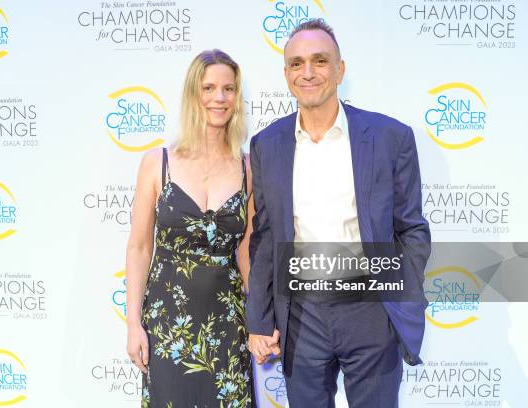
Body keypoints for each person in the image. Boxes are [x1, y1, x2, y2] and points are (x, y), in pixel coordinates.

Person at [246, 19, 431, 407]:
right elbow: (264, 238)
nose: (308, 72)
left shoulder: (389, 137)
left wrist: (395, 298)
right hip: (301, 316)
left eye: (320, 60)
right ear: (286, 74)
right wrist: (260, 321)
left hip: (370, 310)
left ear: (340, 69)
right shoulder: (267, 144)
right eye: (296, 64)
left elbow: (412, 229)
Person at [125, 49, 255, 407]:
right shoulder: (157, 163)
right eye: (209, 87)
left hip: (228, 322)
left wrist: (258, 316)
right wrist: (133, 323)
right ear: (193, 94)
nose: (219, 98)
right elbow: (138, 247)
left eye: (229, 89)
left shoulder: (248, 168)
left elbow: (246, 250)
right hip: (168, 324)